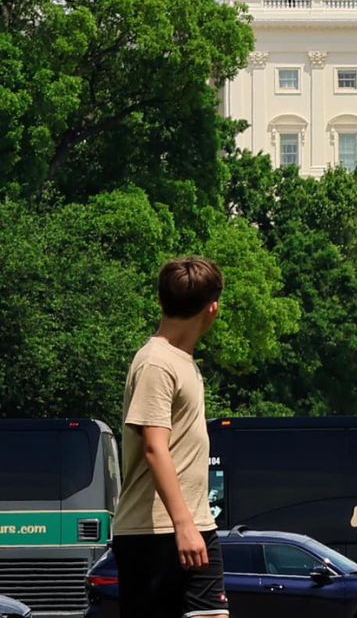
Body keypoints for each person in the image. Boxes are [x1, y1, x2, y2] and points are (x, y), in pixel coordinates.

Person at [112, 258, 229, 618]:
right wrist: (183, 526)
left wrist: (194, 525)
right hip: (155, 533)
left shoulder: (181, 360)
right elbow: (153, 447)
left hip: (195, 524)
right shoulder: (155, 363)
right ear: (213, 309)